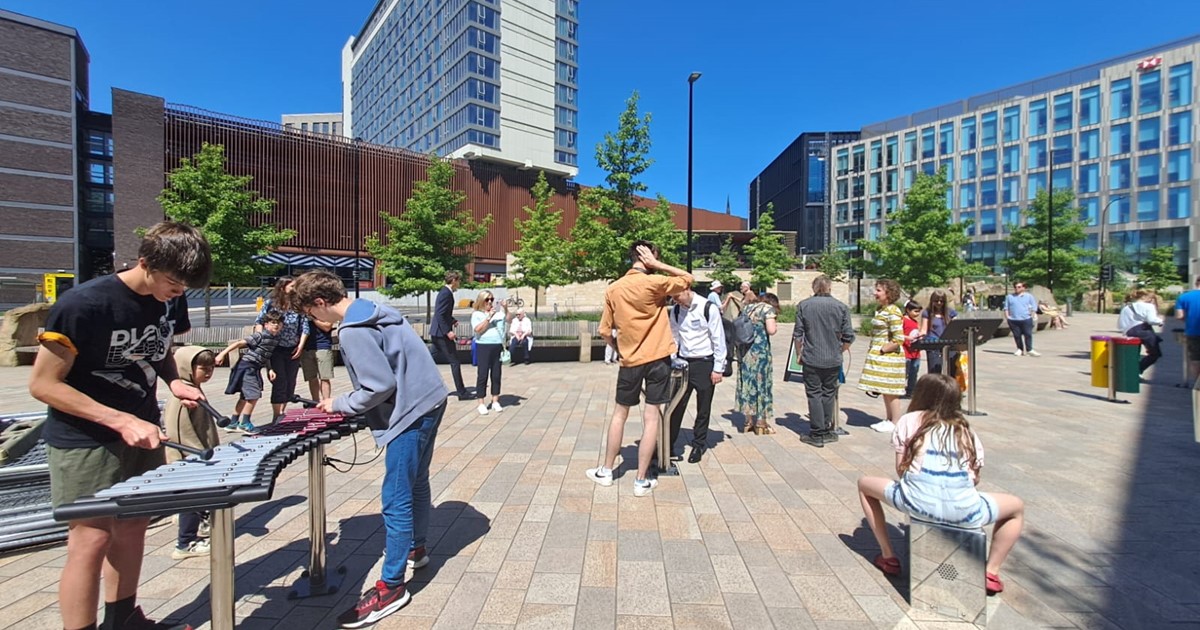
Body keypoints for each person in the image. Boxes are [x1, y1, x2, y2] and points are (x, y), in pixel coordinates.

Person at [28, 221, 211, 630]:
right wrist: (118, 418)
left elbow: (156, 347)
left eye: (185, 287)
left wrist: (174, 379)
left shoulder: (168, 300)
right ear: (145, 263)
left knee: (133, 527)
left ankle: (124, 619)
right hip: (85, 438)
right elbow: (43, 384)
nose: (179, 292)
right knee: (90, 540)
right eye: (173, 283)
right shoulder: (83, 305)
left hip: (142, 429)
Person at [289, 270, 448, 629]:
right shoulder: (372, 307)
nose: (316, 322)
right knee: (416, 483)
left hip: (411, 410)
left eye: (312, 315)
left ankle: (392, 586)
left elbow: (378, 386)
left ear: (320, 303)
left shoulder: (352, 329)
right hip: (431, 398)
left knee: (396, 497)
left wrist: (338, 404)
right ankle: (416, 549)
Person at [856, 374, 1025, 595]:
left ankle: (888, 556)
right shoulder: (965, 429)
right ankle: (991, 570)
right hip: (965, 512)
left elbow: (901, 469)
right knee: (1016, 507)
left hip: (915, 503)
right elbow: (975, 478)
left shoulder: (909, 420)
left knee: (864, 485)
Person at [588, 241, 692, 497]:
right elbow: (688, 279)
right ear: (649, 256)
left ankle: (607, 470)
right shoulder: (655, 282)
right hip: (658, 358)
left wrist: (619, 347)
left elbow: (603, 330)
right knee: (651, 416)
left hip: (630, 360)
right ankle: (641, 480)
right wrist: (657, 265)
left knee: (619, 414)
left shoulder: (614, 288)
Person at [164, 346, 218, 560]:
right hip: (190, 460)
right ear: (186, 368)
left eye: (211, 368)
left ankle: (203, 525)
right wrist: (199, 455)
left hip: (200, 456)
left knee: (199, 500)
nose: (208, 372)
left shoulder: (194, 388)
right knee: (191, 502)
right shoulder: (181, 397)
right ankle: (184, 543)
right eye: (203, 368)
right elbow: (180, 433)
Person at [667, 286, 727, 463]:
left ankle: (698, 444)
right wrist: (673, 359)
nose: (676, 300)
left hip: (704, 362)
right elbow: (674, 335)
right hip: (683, 363)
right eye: (673, 298)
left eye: (677, 296)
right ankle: (668, 444)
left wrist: (718, 368)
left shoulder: (708, 308)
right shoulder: (677, 309)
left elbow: (718, 338)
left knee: (703, 407)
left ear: (687, 289)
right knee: (676, 405)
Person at [794, 275, 855, 447]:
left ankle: (817, 432)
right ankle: (827, 429)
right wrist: (839, 350)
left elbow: (798, 334)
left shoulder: (804, 306)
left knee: (814, 393)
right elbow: (849, 336)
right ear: (829, 287)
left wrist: (799, 354)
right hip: (833, 358)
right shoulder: (841, 307)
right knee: (829, 393)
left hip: (812, 356)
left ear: (814, 287)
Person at [216, 310, 282, 433]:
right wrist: (222, 354)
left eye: (278, 323)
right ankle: (245, 423)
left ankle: (233, 422)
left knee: (244, 397)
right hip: (247, 366)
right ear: (266, 325)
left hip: (255, 367)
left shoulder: (275, 338)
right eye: (273, 323)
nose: (276, 325)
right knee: (253, 395)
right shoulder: (260, 336)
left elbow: (265, 355)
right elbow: (239, 343)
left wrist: (270, 369)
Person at [255, 276, 309, 420]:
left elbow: (304, 327)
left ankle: (282, 413)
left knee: (290, 382)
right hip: (275, 347)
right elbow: (259, 321)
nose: (294, 289)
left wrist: (300, 346)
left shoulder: (298, 305)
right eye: (292, 286)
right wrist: (262, 339)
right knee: (280, 381)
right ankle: (276, 415)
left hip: (293, 348)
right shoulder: (270, 304)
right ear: (282, 287)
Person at [858, 279, 907, 433]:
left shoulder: (892, 311)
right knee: (885, 389)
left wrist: (882, 350)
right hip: (882, 358)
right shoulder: (882, 309)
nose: (875, 293)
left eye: (879, 290)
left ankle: (896, 421)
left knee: (891, 391)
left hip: (889, 358)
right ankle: (889, 419)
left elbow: (899, 338)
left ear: (889, 293)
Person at [737, 293, 781, 435]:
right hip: (760, 352)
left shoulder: (747, 308)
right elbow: (771, 330)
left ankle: (747, 421)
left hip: (745, 352)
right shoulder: (767, 309)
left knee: (748, 384)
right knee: (762, 384)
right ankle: (761, 423)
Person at [472, 290, 512, 415]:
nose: (490, 302)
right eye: (487, 300)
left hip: (497, 345)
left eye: (492, 299)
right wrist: (488, 318)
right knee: (483, 374)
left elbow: (509, 319)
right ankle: (481, 403)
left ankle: (495, 400)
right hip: (483, 346)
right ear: (481, 301)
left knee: (496, 374)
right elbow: (478, 330)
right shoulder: (477, 314)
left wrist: (505, 308)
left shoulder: (499, 314)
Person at [431, 271, 469, 400]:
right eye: (458, 281)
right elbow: (440, 314)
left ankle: (414, 381)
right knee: (455, 362)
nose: (459, 283)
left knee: (429, 360)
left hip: (436, 332)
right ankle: (462, 393)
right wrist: (448, 331)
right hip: (442, 334)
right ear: (453, 281)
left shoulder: (445, 292)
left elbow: (444, 313)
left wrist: (452, 320)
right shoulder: (446, 293)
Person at [1119, 289, 1164, 375]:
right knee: (1155, 354)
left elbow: (1121, 323)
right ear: (1145, 297)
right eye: (1151, 298)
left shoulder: (1127, 307)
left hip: (1130, 331)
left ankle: (1130, 370)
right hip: (1144, 330)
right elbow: (1151, 320)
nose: (1151, 300)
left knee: (1134, 354)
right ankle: (1138, 369)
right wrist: (1160, 321)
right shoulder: (1149, 306)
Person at [921, 290, 959, 376]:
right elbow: (923, 329)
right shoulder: (927, 312)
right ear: (932, 301)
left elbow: (956, 327)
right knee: (934, 371)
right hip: (933, 345)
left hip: (949, 343)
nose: (939, 303)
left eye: (941, 301)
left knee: (952, 371)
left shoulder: (951, 312)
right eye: (936, 301)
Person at [1004, 281, 1039, 357]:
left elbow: (1034, 307)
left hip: (1026, 318)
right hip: (1013, 319)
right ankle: (1020, 349)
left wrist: (1032, 315)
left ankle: (1029, 349)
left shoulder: (1029, 296)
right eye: (1015, 287)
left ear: (1023, 288)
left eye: (1019, 287)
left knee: (1028, 334)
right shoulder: (1009, 297)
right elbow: (1006, 308)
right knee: (1017, 335)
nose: (1017, 288)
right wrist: (1008, 318)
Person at [1177, 277, 1200, 383]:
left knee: (1195, 359)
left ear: (1196, 283)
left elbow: (1179, 316)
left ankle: (1197, 384)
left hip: (1193, 332)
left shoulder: (1183, 297)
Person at [901, 300, 923, 399]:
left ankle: (910, 391)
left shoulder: (915, 322)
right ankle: (898, 389)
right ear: (908, 310)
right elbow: (897, 334)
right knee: (904, 372)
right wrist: (907, 338)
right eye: (915, 311)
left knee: (914, 372)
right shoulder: (902, 320)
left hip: (915, 352)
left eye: (918, 311)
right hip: (906, 352)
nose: (917, 314)